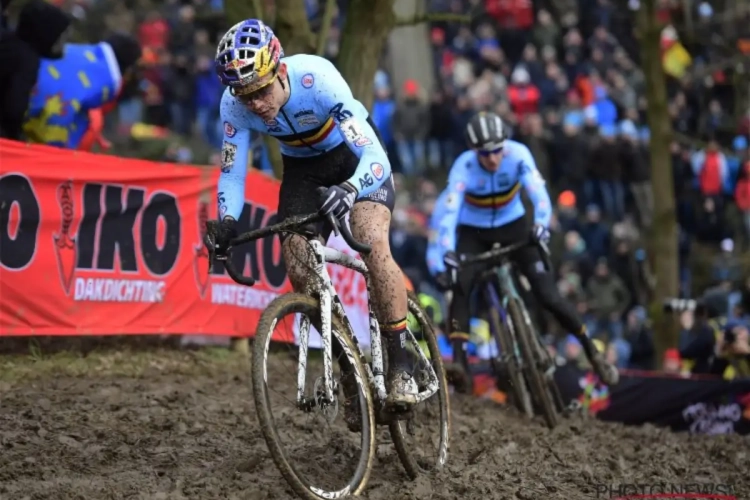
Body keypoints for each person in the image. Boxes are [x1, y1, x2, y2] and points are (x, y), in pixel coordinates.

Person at [203, 20, 413, 421]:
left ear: (280, 71)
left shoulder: (319, 80)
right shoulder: (233, 106)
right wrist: (227, 222)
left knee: (371, 238)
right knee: (298, 263)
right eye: (244, 95)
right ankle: (349, 368)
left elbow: (377, 158)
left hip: (355, 161)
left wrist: (352, 189)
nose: (255, 104)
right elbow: (232, 171)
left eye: (261, 90)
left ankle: (400, 360)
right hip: (304, 172)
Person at [427, 111, 619, 390]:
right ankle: (460, 364)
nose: (492, 158)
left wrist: (541, 224)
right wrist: (447, 250)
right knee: (460, 287)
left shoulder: (518, 155)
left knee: (548, 294)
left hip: (514, 226)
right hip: (474, 233)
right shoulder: (463, 167)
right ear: (474, 151)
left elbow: (539, 195)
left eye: (497, 150)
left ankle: (592, 350)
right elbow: (449, 212)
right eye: (485, 153)